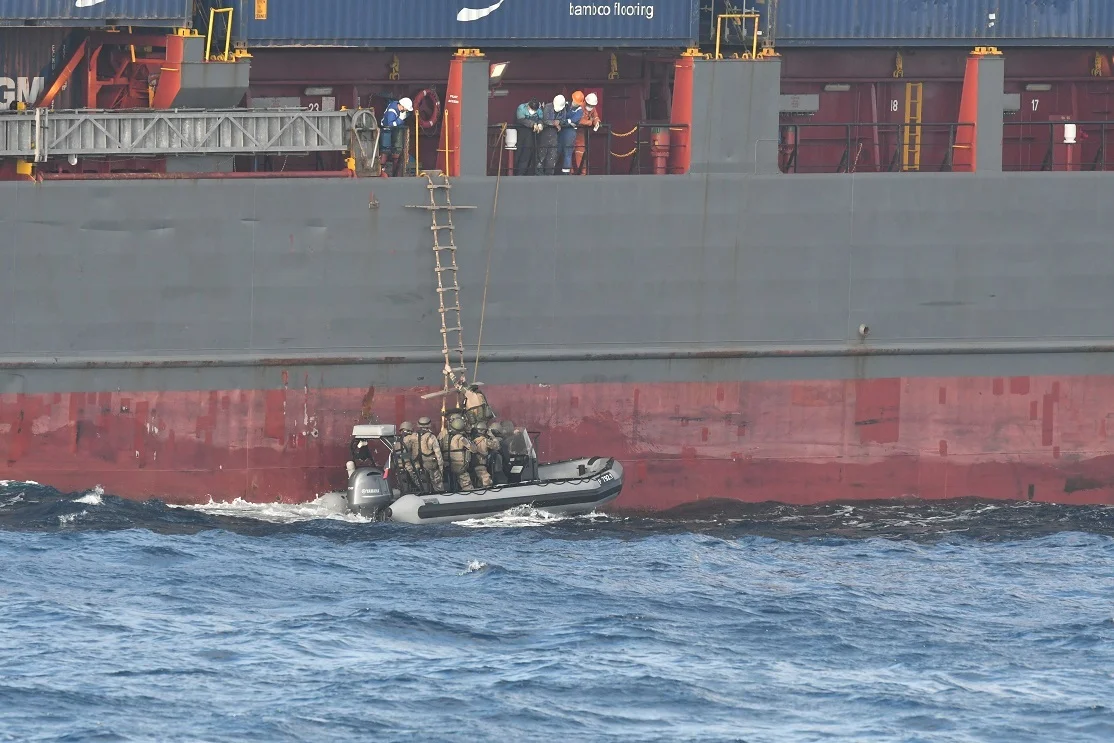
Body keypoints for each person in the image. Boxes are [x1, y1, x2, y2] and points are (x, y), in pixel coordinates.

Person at [380, 96, 413, 177]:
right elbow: (390, 124)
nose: (406, 111)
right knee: (385, 150)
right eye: (406, 109)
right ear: (402, 106)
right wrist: (400, 119)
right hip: (386, 130)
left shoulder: (396, 105)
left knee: (397, 150)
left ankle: (395, 172)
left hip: (394, 130)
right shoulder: (392, 111)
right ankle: (381, 170)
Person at [514, 98, 544, 176]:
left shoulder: (539, 110)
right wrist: (532, 124)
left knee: (531, 154)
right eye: (532, 109)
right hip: (522, 133)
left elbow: (541, 118)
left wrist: (540, 124)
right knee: (521, 154)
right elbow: (521, 120)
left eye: (535, 110)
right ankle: (517, 173)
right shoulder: (521, 108)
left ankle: (528, 173)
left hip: (533, 135)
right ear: (528, 106)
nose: (533, 111)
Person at [415, 416, 445, 492]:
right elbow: (438, 453)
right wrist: (441, 467)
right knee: (438, 485)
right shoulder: (431, 437)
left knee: (423, 485)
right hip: (431, 464)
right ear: (429, 425)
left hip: (418, 464)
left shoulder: (414, 436)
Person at [447, 416, 477, 491]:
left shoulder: (447, 437)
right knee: (467, 486)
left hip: (450, 464)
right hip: (461, 466)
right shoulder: (461, 438)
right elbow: (473, 450)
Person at [575, 92, 601, 174]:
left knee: (583, 153)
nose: (591, 107)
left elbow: (595, 116)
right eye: (589, 105)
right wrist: (590, 122)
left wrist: (597, 122)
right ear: (585, 102)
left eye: (592, 105)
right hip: (575, 132)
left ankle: (583, 173)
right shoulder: (580, 107)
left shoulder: (592, 108)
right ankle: (572, 173)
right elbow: (578, 120)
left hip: (583, 133)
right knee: (573, 153)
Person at [558, 94, 584, 175]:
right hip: (561, 132)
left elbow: (574, 120)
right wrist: (568, 122)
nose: (574, 103)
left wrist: (565, 121)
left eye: (576, 102)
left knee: (567, 152)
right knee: (557, 150)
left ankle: (565, 174)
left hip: (570, 133)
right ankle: (553, 171)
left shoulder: (579, 111)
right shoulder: (567, 105)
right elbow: (562, 116)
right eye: (574, 101)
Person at [539, 95, 565, 176]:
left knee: (552, 155)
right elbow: (545, 120)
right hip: (545, 133)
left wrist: (559, 122)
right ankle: (539, 174)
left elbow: (563, 120)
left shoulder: (563, 109)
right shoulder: (548, 107)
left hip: (554, 134)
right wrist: (554, 123)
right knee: (542, 154)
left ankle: (549, 174)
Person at [470, 422, 495, 488]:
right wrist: (492, 436)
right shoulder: (484, 440)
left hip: (473, 465)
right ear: (484, 431)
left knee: (479, 484)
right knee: (487, 483)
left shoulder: (470, 440)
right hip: (481, 465)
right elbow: (496, 446)